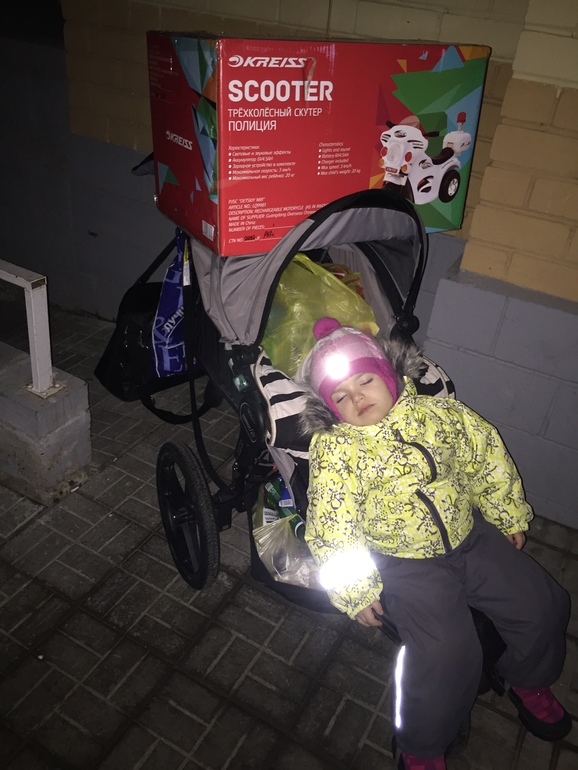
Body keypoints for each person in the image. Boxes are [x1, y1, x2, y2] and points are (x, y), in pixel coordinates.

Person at [296, 317, 571, 770]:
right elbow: (331, 526)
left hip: (470, 535)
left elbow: (484, 456)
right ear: (330, 409)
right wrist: (355, 589)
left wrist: (504, 512)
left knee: (543, 604)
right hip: (404, 563)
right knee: (445, 655)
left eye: (365, 381)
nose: (357, 398)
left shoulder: (438, 416)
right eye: (340, 396)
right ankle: (422, 747)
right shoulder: (336, 454)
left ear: (388, 375)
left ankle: (527, 678)